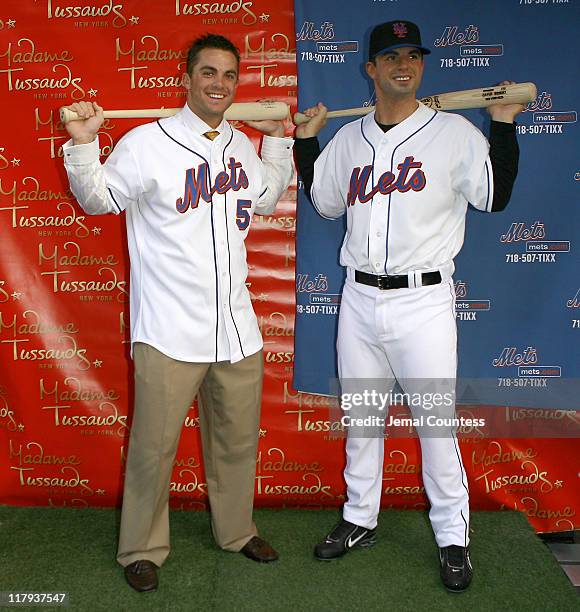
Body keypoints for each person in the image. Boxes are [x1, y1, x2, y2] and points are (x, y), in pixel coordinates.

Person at [294, 20, 523, 592]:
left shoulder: (453, 132)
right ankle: (358, 519)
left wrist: (501, 127)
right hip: (360, 297)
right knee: (363, 420)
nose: (404, 64)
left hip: (423, 300)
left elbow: (494, 196)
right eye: (391, 56)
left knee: (436, 427)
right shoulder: (348, 140)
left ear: (421, 66)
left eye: (412, 56)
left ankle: (453, 538)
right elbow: (323, 203)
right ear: (371, 69)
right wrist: (305, 141)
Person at [61, 34, 293, 592]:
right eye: (208, 73)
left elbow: (266, 197)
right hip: (167, 326)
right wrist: (83, 145)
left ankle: (236, 531)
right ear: (186, 79)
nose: (219, 84)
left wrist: (281, 143)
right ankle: (141, 547)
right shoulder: (147, 142)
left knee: (237, 440)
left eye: (229, 75)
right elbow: (98, 199)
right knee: (153, 447)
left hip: (236, 326)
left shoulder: (241, 146)